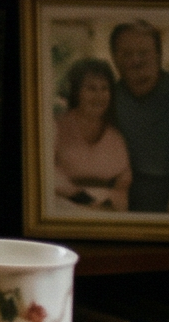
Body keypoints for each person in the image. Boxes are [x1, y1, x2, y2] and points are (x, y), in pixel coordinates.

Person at [110, 21, 169, 214]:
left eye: (143, 53)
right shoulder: (107, 98)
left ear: (158, 55)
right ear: (115, 58)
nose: (136, 61)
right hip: (121, 196)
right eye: (127, 54)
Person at [53, 59, 133, 212]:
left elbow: (123, 185)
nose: (99, 95)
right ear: (77, 92)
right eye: (91, 88)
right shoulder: (56, 127)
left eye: (105, 88)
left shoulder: (115, 137)